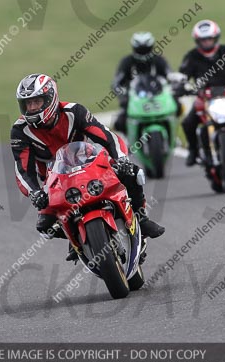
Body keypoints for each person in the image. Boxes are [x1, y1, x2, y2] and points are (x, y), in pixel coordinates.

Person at [10, 73, 165, 261]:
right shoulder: (19, 130)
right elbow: (22, 168)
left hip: (90, 166)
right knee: (45, 225)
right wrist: (34, 192)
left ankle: (142, 219)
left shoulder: (74, 111)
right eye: (27, 104)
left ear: (50, 98)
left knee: (131, 172)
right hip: (55, 180)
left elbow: (106, 136)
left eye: (37, 102)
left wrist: (121, 158)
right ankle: (75, 238)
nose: (32, 108)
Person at [179, 20, 225, 167]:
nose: (207, 42)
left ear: (216, 38)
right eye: (203, 40)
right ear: (197, 40)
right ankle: (193, 151)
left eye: (209, 39)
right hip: (204, 97)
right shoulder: (192, 56)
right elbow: (184, 75)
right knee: (188, 122)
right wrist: (181, 85)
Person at [111, 32, 172, 133]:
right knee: (120, 122)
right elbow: (117, 82)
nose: (143, 52)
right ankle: (127, 142)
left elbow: (169, 75)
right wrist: (123, 95)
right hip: (134, 99)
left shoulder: (159, 60)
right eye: (140, 49)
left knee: (177, 107)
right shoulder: (127, 62)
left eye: (145, 49)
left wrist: (174, 86)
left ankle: (173, 136)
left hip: (158, 97)